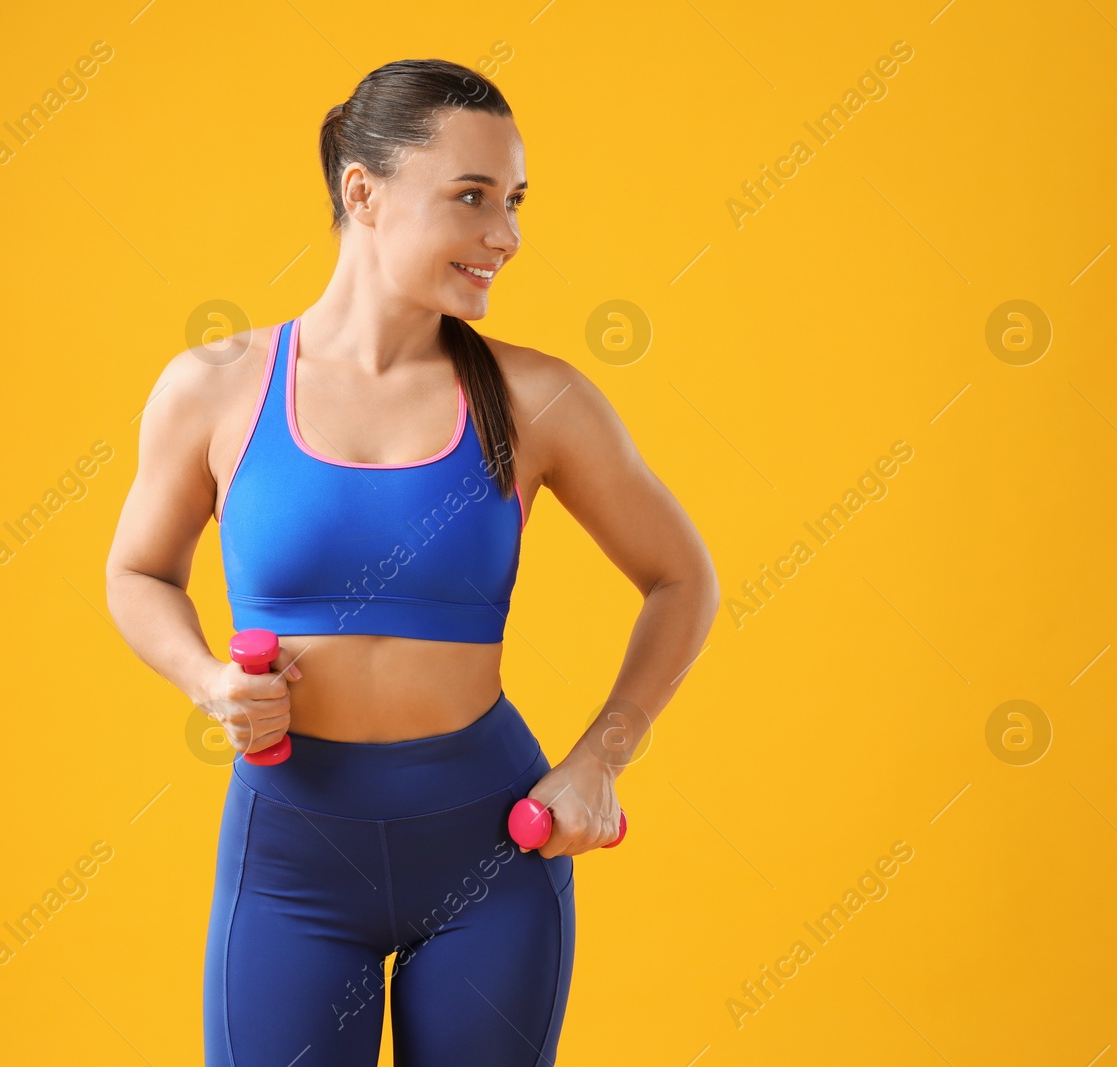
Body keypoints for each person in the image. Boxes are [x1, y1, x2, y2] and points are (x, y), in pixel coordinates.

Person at [105, 57, 718, 1067]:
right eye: (472, 197)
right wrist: (209, 679)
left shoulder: (538, 399)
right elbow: (138, 572)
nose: (506, 236)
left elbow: (682, 576)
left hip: (492, 849)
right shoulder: (214, 387)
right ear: (364, 193)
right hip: (294, 856)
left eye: (513, 202)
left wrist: (600, 755)